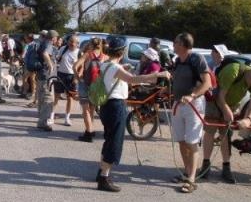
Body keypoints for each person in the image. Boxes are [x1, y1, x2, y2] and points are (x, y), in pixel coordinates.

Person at [95, 37, 171, 192]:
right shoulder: (116, 68)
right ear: (122, 52)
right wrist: (159, 75)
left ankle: (101, 172)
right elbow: (132, 79)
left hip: (106, 106)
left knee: (109, 139)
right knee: (114, 142)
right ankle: (104, 177)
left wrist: (124, 68)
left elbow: (120, 75)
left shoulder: (106, 65)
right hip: (115, 105)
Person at [199, 59, 251, 184]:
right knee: (210, 132)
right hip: (215, 101)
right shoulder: (233, 70)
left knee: (225, 135)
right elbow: (220, 96)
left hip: (232, 104)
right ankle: (205, 165)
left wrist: (248, 120)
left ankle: (226, 168)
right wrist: (226, 110)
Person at [170, 32, 212, 193]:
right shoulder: (177, 61)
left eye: (175, 42)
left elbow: (207, 83)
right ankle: (187, 172)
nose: (173, 45)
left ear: (183, 44)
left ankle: (192, 179)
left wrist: (192, 95)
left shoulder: (197, 59)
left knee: (192, 142)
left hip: (194, 105)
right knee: (181, 140)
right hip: (178, 104)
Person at [73, 37, 107, 142]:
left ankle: (88, 133)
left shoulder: (87, 54)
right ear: (101, 45)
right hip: (97, 87)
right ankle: (91, 129)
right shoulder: (105, 57)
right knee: (91, 109)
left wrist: (79, 79)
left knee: (85, 110)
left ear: (91, 45)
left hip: (86, 85)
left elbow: (75, 66)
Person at [52, 34, 79, 126]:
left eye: (73, 42)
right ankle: (51, 116)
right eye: (70, 41)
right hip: (61, 74)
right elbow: (57, 59)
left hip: (71, 76)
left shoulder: (79, 53)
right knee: (56, 96)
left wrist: (76, 78)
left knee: (70, 98)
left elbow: (79, 67)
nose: (71, 43)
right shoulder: (63, 48)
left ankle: (67, 118)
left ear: (77, 43)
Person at [36, 30, 59, 131]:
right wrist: (50, 65)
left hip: (41, 74)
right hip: (46, 75)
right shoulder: (49, 44)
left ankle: (41, 118)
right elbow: (45, 54)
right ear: (53, 38)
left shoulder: (42, 42)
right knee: (48, 98)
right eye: (56, 38)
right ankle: (43, 122)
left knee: (41, 96)